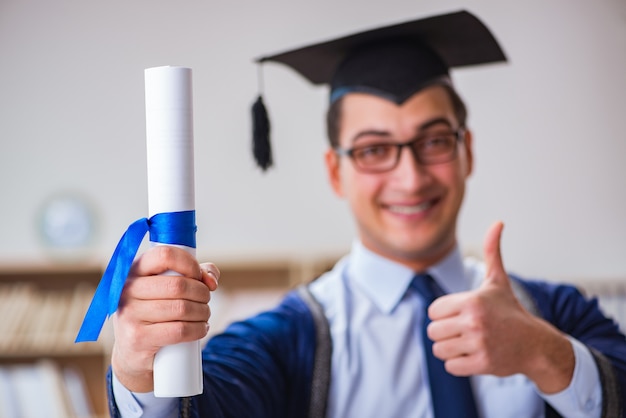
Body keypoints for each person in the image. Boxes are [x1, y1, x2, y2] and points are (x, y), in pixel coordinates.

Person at [108, 10, 626, 418]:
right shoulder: (288, 337)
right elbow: (203, 408)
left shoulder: (552, 313)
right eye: (375, 149)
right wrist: (141, 367)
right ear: (336, 171)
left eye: (434, 141)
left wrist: (545, 354)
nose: (411, 177)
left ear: (467, 151)